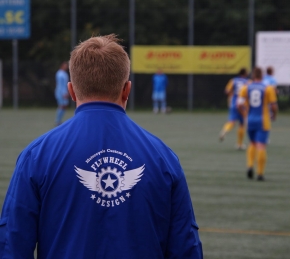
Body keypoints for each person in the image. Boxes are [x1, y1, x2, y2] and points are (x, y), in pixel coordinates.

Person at [0, 34, 203, 258]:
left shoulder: (36, 156)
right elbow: (186, 248)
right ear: (127, 89)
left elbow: (12, 245)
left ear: (72, 91)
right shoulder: (164, 158)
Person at [237, 67, 278, 181]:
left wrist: (245, 114)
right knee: (261, 145)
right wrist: (274, 115)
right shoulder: (268, 88)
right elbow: (274, 106)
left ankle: (250, 166)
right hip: (263, 121)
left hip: (250, 120)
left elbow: (239, 104)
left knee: (252, 143)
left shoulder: (246, 87)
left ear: (253, 76)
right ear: (262, 76)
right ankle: (260, 174)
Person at [219, 68, 250, 150]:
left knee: (231, 121)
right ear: (245, 73)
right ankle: (239, 144)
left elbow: (227, 91)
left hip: (233, 102)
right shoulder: (248, 82)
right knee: (241, 124)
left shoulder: (233, 80)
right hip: (242, 103)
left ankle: (225, 130)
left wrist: (232, 95)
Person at [54, 61, 70, 125]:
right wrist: (64, 93)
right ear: (61, 66)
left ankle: (59, 120)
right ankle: (58, 120)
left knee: (64, 105)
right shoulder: (59, 74)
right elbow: (61, 84)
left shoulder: (64, 73)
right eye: (65, 65)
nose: (66, 67)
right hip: (60, 92)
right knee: (61, 105)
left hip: (64, 91)